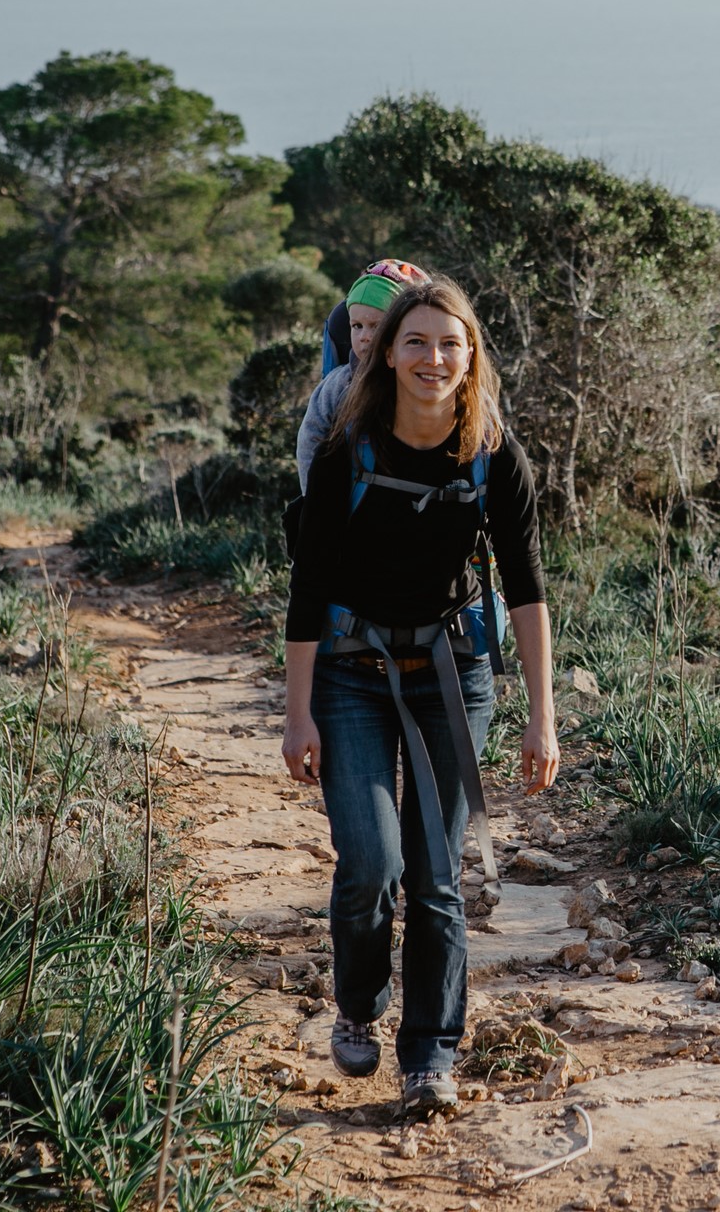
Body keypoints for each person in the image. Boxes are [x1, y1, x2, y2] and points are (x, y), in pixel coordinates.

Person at [281, 275, 559, 1120]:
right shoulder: (348, 448)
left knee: (436, 877)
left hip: (450, 677)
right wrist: (296, 714)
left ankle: (429, 1060)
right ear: (387, 353)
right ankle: (359, 1004)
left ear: (472, 355)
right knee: (371, 865)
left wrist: (542, 716)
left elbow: (527, 589)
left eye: (451, 343)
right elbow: (308, 585)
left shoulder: (493, 453)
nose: (433, 358)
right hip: (347, 675)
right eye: (415, 341)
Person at [297, 257, 431, 492]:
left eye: (376, 326)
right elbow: (310, 442)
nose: (364, 337)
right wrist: (314, 503)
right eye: (356, 326)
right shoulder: (338, 385)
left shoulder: (430, 379)